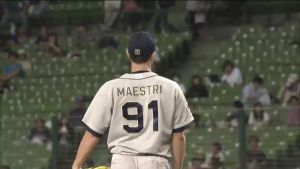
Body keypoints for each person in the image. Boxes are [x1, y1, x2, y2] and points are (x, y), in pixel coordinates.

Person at [72, 32, 194, 169]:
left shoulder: (111, 87)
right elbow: (179, 137)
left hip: (122, 162)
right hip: (155, 161)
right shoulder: (171, 88)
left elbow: (92, 135)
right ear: (153, 55)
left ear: (128, 54)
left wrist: (77, 165)